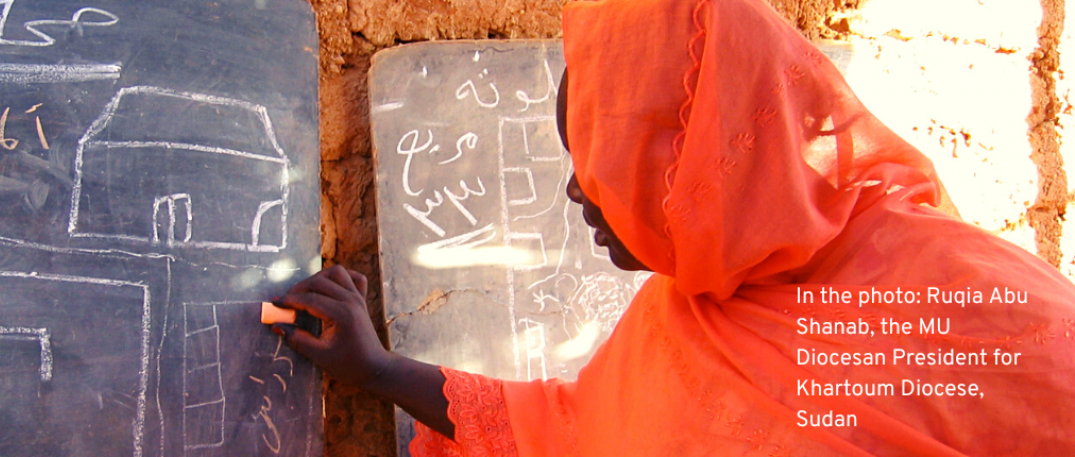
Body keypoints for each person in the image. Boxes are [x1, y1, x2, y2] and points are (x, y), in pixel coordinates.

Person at [271, 0, 1075, 454]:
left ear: (694, 171)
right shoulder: (690, 312)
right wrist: (376, 369)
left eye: (603, 164)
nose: (579, 195)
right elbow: (567, 431)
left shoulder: (968, 302)